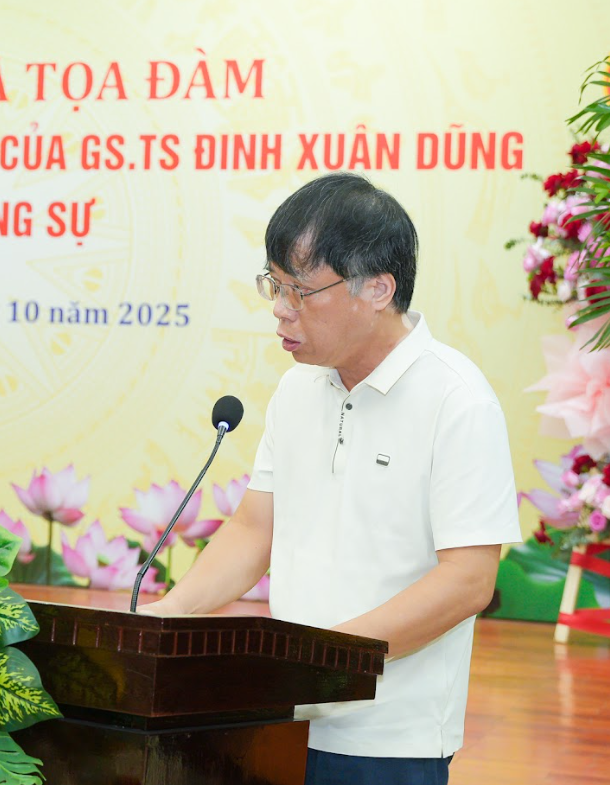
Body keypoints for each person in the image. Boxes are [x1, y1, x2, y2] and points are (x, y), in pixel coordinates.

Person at [139, 173, 521, 785]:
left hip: (389, 737)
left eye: (301, 289)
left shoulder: (456, 400)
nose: (280, 308)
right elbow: (255, 530)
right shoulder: (296, 389)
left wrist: (321, 661)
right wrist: (170, 614)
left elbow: (468, 580)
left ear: (378, 288)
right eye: (274, 284)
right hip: (278, 718)